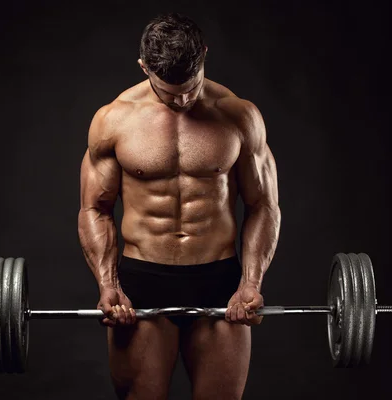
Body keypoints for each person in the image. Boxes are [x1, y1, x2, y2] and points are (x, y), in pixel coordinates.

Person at [78, 12, 281, 400]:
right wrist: (108, 285)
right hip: (143, 282)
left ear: (204, 54)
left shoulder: (240, 116)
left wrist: (250, 283)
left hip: (219, 279)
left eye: (191, 87)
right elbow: (94, 209)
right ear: (144, 68)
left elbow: (264, 206)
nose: (183, 100)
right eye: (170, 93)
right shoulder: (113, 121)